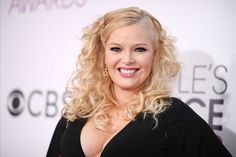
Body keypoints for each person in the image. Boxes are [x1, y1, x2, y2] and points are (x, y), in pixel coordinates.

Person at [46, 7, 232, 157]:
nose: (127, 59)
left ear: (155, 56)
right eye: (116, 49)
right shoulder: (77, 113)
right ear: (102, 55)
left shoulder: (173, 116)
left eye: (140, 49)